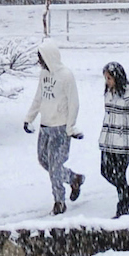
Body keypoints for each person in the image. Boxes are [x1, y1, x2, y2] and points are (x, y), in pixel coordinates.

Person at [22, 38, 84, 215]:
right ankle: (74, 179)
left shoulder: (66, 76)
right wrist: (29, 118)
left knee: (55, 167)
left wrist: (71, 127)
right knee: (44, 161)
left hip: (60, 128)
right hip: (45, 126)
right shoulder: (44, 75)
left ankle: (59, 201)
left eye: (41, 57)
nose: (39, 61)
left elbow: (74, 103)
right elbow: (38, 97)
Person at [98, 61, 129, 217]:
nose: (107, 82)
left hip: (124, 142)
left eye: (109, 78)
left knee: (119, 174)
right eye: (106, 78)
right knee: (105, 171)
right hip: (109, 141)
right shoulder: (109, 92)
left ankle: (122, 208)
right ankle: (127, 193)